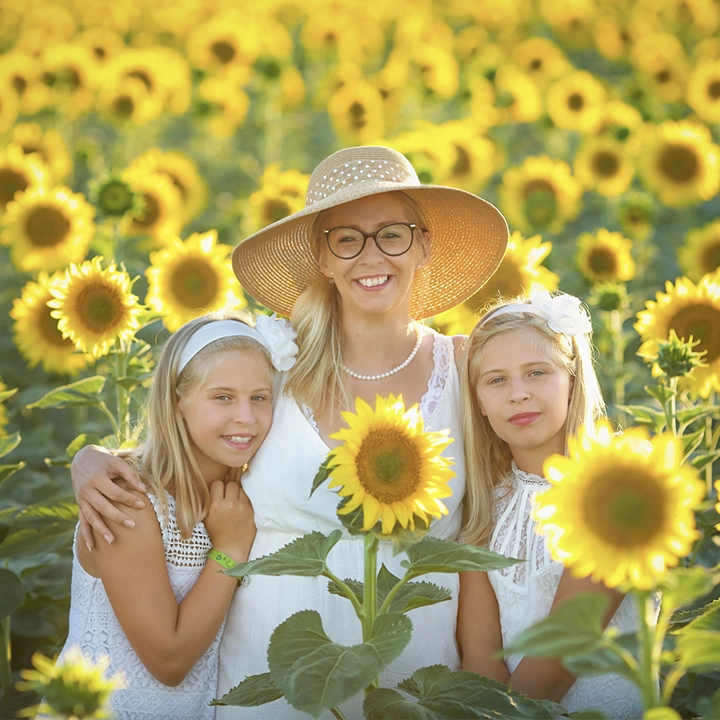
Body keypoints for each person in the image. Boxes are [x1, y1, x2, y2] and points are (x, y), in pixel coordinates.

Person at [70, 145, 509, 718]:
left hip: (411, 672)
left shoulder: (467, 370)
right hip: (271, 677)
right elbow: (195, 430)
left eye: (392, 234)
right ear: (322, 257)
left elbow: (529, 478)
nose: (369, 255)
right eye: (346, 238)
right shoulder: (277, 364)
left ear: (423, 244)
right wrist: (92, 458)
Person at [47, 311, 297, 720]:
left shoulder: (246, 497)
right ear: (178, 402)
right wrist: (229, 549)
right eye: (222, 397)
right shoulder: (127, 499)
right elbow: (169, 661)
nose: (246, 417)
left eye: (259, 397)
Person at [456, 291, 643, 718]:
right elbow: (480, 651)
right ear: (480, 403)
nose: (517, 394)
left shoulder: (615, 491)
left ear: (572, 379)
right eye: (497, 380)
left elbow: (566, 646)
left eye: (536, 372)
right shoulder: (486, 503)